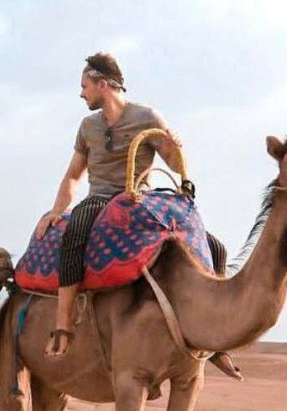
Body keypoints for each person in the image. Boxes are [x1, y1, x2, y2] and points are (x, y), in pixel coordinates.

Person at [35, 53, 242, 379]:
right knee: (73, 234)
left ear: (102, 84)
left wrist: (176, 148)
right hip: (100, 199)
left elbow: (174, 164)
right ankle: (63, 326)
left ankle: (216, 341)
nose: (81, 93)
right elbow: (74, 175)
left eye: (84, 86)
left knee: (214, 247)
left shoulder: (147, 117)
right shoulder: (88, 126)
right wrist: (56, 211)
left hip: (143, 198)